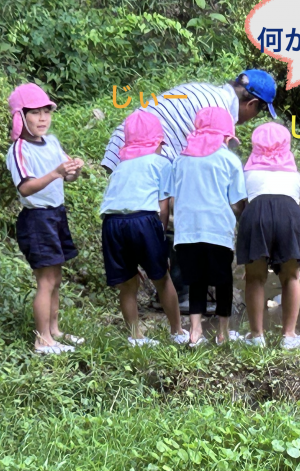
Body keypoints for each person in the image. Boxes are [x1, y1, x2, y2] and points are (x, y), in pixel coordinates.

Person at [100, 70, 278, 310]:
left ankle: (151, 279)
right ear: (252, 103)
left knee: (139, 214)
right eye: (259, 111)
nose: (252, 118)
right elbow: (208, 168)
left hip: (122, 147)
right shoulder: (218, 113)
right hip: (147, 149)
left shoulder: (206, 91)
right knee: (177, 213)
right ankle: (181, 293)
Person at [5, 83, 85, 355]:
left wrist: (74, 169)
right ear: (21, 117)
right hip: (37, 219)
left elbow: (68, 176)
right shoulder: (19, 149)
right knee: (46, 281)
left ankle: (55, 331)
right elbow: (25, 188)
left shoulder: (52, 142)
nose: (42, 119)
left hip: (56, 214)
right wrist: (56, 173)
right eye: (35, 113)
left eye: (46, 112)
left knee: (56, 278)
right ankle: (42, 341)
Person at [99, 110, 189, 347]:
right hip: (143, 221)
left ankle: (135, 336)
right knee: (162, 278)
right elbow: (163, 207)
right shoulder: (162, 163)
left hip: (112, 224)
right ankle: (177, 331)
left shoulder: (120, 167)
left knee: (127, 284)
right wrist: (161, 238)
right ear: (157, 142)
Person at [171, 107, 248, 347]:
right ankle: (223, 333)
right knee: (223, 281)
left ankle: (195, 331)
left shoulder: (180, 160)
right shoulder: (229, 160)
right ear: (226, 136)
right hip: (218, 229)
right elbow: (238, 202)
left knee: (196, 281)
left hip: (186, 231)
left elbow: (172, 197)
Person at [236, 123, 300, 350]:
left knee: (254, 278)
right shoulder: (293, 174)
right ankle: (289, 336)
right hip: (288, 213)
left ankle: (256, 336)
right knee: (291, 276)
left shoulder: (247, 173)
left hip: (255, 213)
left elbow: (240, 205)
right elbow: (297, 200)